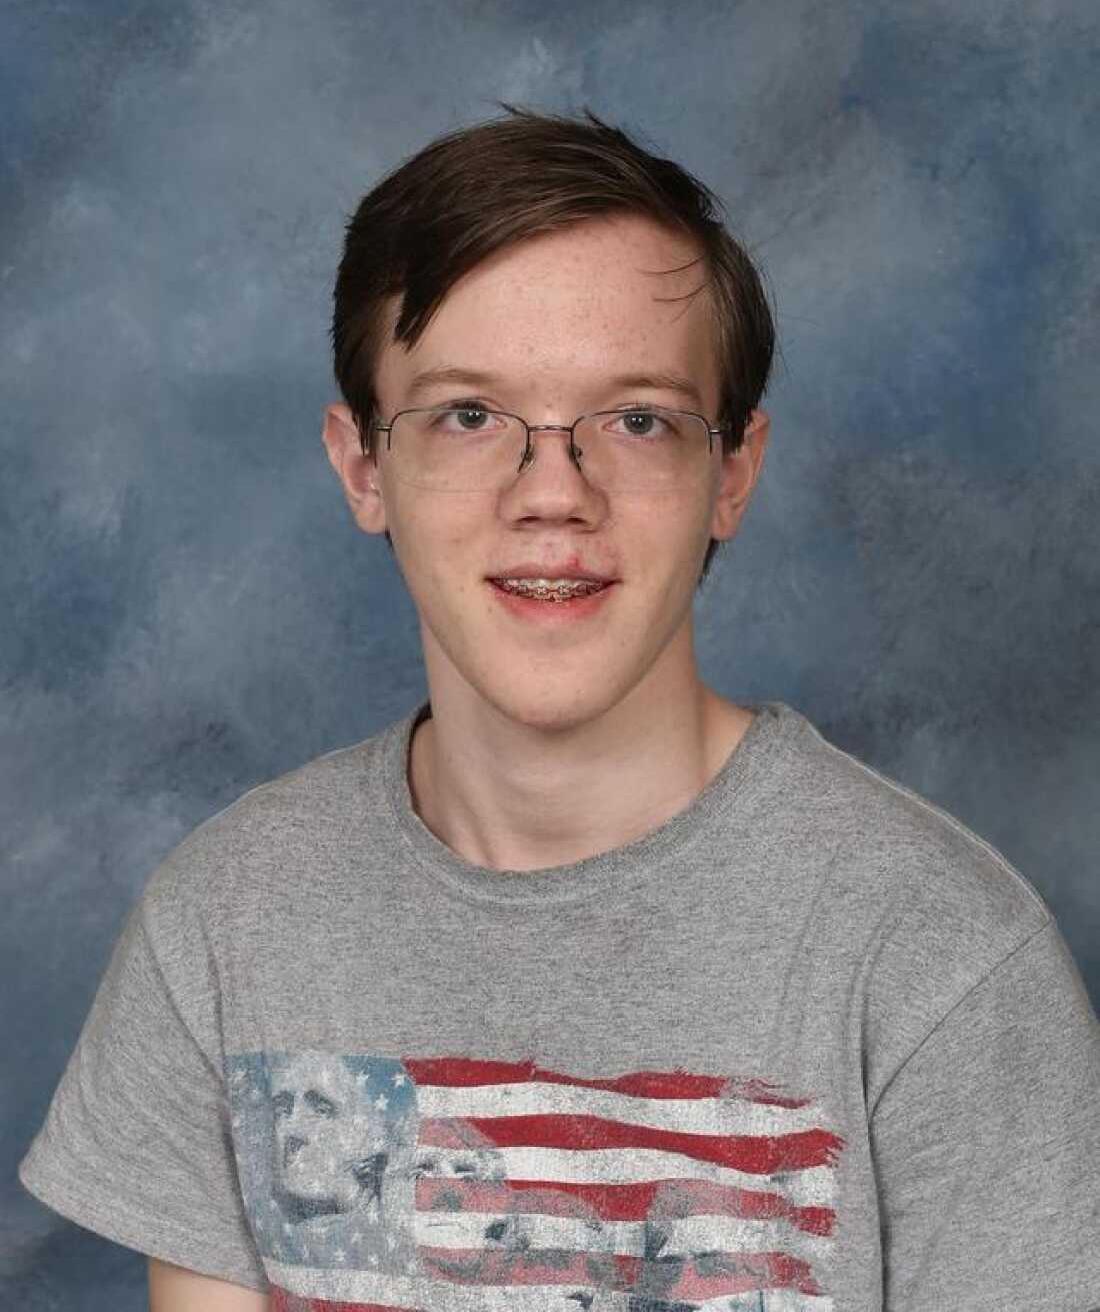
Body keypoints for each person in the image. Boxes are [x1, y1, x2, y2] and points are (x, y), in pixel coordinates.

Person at [19, 105, 1100, 1312]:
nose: (552, 493)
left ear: (730, 472)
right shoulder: (227, 928)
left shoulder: (938, 966)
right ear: (363, 466)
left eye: (634, 419)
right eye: (468, 415)